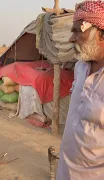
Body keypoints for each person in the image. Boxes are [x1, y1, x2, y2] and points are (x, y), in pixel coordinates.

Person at [57, 1, 104, 179]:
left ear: (101, 34)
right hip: (65, 172)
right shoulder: (80, 68)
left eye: (78, 31)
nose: (71, 38)